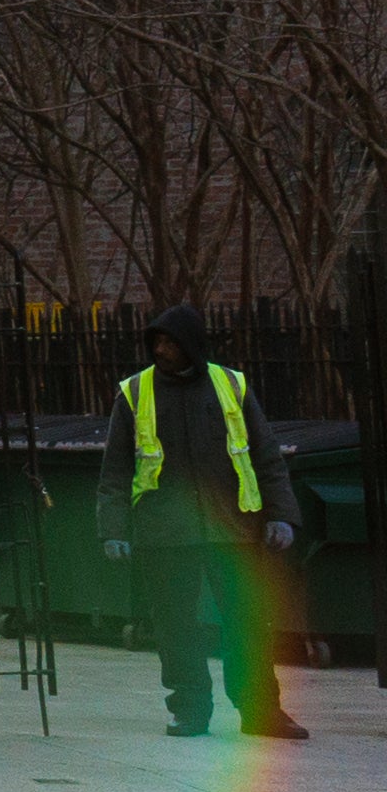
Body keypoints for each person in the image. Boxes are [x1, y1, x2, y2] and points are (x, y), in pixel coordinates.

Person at [104, 308, 307, 742]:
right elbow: (116, 469)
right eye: (156, 342)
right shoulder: (135, 392)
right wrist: (113, 529)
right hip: (165, 534)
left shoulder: (231, 385)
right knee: (176, 627)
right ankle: (190, 710)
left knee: (247, 623)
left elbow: (266, 455)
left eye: (170, 342)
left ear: (192, 346)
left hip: (233, 529)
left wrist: (282, 515)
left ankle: (261, 712)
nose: (161, 350)